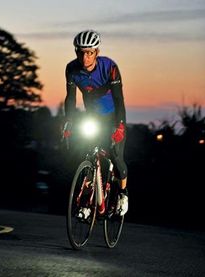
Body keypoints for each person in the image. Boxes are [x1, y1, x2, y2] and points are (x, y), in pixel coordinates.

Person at [63, 30, 128, 216]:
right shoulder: (71, 69)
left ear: (96, 52)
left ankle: (122, 194)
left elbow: (119, 98)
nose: (85, 57)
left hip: (113, 117)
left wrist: (120, 125)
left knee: (115, 155)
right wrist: (68, 122)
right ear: (76, 52)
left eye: (90, 52)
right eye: (81, 52)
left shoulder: (110, 67)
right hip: (92, 117)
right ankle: (87, 199)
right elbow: (70, 98)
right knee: (87, 152)